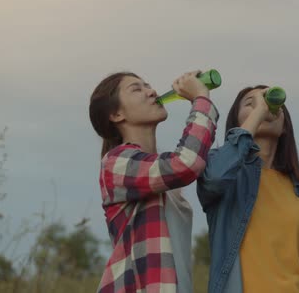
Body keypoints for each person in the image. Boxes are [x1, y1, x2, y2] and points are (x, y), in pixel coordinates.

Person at [89, 71, 219, 293]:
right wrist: (201, 99)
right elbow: (186, 163)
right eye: (137, 89)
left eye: (148, 85)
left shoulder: (164, 181)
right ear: (116, 114)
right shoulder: (116, 163)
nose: (152, 92)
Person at [197, 85, 299, 293]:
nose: (265, 107)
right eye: (251, 104)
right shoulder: (223, 173)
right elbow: (215, 179)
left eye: (271, 103)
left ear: (285, 125)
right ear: (238, 124)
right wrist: (259, 113)